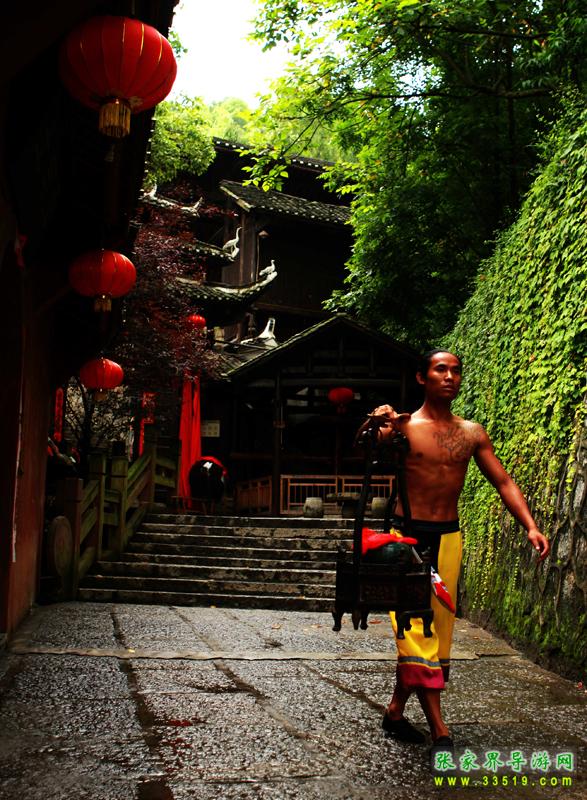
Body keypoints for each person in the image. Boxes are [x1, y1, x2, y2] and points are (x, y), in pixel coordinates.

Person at [365, 350, 549, 756]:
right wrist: (377, 422)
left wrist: (531, 526)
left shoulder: (471, 433)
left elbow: (503, 481)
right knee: (415, 632)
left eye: (456, 371)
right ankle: (440, 728)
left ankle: (395, 711)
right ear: (422, 377)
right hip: (405, 540)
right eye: (440, 370)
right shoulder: (403, 426)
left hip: (449, 538)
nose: (449, 377)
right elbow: (365, 445)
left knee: (438, 633)